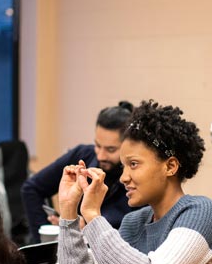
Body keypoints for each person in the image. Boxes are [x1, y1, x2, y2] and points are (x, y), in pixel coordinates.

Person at [57, 100, 212, 264]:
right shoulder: (134, 223)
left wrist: (93, 215)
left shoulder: (202, 213)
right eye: (123, 166)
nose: (123, 177)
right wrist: (68, 210)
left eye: (134, 164)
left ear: (170, 166)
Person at [21, 101, 135, 244]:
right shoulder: (82, 155)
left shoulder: (135, 179)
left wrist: (90, 227)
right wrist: (47, 239)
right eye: (98, 146)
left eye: (111, 149)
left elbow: (135, 235)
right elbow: (31, 189)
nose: (100, 156)